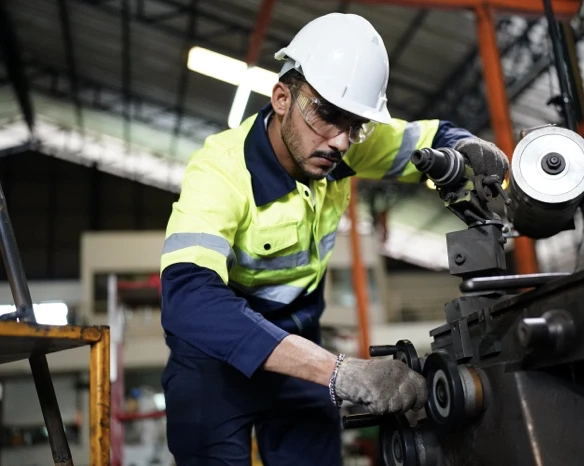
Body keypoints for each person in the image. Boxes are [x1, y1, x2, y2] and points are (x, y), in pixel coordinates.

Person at [159, 12, 509, 466]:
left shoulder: (340, 138)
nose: (343, 142)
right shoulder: (221, 172)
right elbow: (188, 297)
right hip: (213, 359)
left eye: (356, 124)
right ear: (282, 97)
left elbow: (432, 136)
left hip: (298, 342)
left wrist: (467, 149)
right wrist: (340, 372)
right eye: (326, 116)